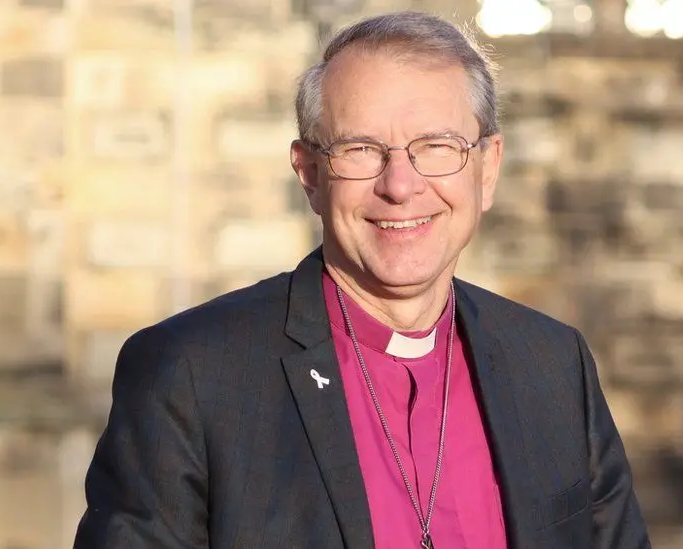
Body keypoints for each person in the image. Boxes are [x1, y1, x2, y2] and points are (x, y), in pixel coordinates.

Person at [73, 10, 651, 549]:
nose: (400, 185)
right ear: (310, 174)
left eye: (436, 147)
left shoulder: (551, 363)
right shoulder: (193, 374)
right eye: (361, 150)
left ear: (488, 167)